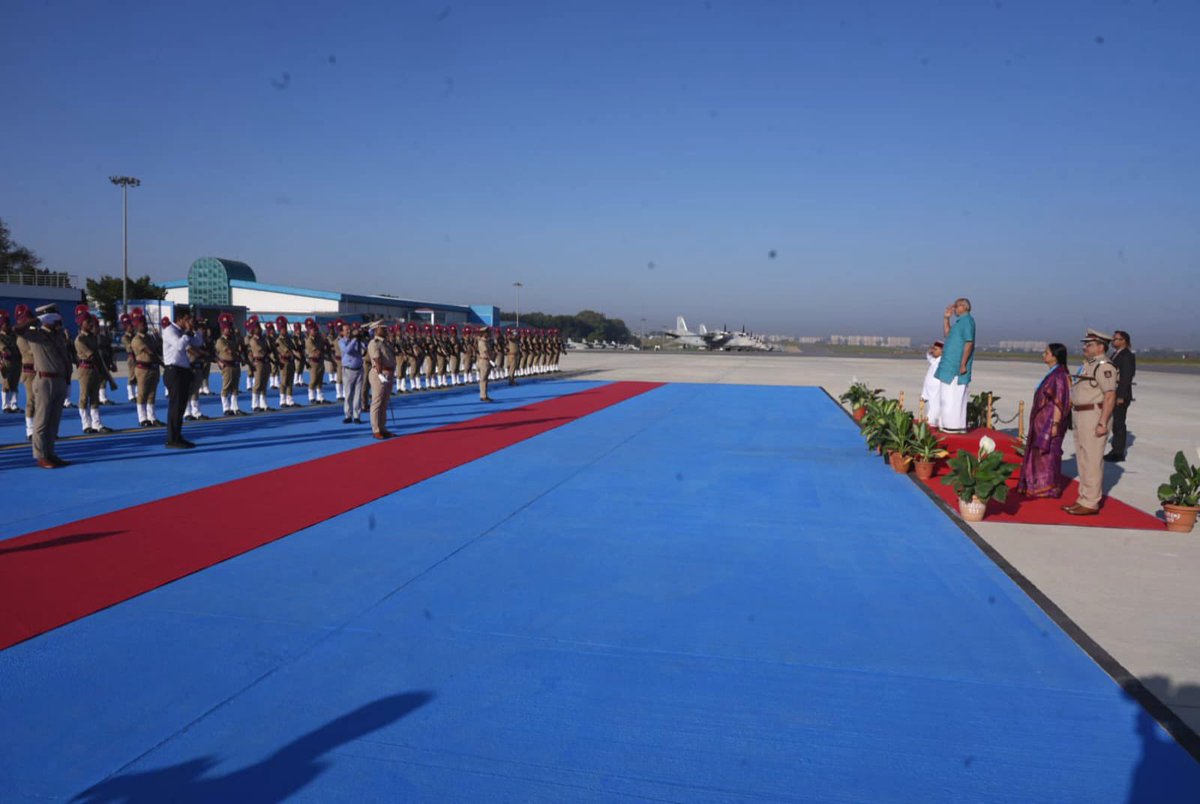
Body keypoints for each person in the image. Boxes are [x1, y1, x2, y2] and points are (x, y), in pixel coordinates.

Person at [1062, 329, 1118, 516]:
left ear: (1101, 347)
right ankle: (1083, 498)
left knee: (1092, 460)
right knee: (1083, 459)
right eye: (1086, 344)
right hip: (1081, 415)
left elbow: (1110, 396)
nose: (1085, 347)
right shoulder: (1089, 364)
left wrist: (1102, 422)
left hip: (1094, 414)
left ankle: (1091, 502)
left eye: (1090, 344)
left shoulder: (1104, 366)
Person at [14, 305, 73, 468]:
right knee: (41, 421)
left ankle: (51, 453)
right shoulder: (36, 335)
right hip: (45, 381)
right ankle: (40, 456)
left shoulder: (58, 335)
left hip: (60, 380)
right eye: (55, 318)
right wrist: (35, 320)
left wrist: (67, 379)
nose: (59, 320)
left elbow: (65, 357)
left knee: (54, 421)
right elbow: (17, 330)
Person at [1016, 343, 1072, 498]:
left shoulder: (1059, 376)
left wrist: (1055, 424)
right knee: (1039, 453)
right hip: (1041, 421)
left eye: (1046, 352)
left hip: (1049, 421)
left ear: (1055, 356)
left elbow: (1059, 402)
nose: (1043, 355)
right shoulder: (1053, 374)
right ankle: (1036, 483)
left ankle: (1047, 486)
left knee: (1048, 453)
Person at [162, 308, 204, 448]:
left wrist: (196, 329)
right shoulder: (170, 331)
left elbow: (197, 343)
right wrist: (186, 332)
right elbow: (180, 346)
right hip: (173, 371)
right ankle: (172, 439)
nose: (188, 322)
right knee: (175, 406)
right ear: (179, 319)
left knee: (180, 406)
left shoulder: (181, 332)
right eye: (186, 319)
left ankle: (178, 436)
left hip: (183, 371)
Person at [934, 298, 976, 433]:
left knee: (953, 397)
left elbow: (969, 343)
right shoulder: (959, 322)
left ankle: (953, 426)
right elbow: (947, 334)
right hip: (949, 366)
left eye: (956, 306)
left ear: (964, 307)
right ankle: (948, 424)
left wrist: (963, 363)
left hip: (956, 368)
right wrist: (946, 318)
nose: (954, 308)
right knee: (946, 396)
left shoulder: (967, 321)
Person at [74, 313, 117, 433]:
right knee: (84, 397)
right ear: (81, 324)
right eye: (88, 322)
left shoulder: (93, 337)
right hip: (85, 369)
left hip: (94, 369)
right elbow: (93, 355)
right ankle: (86, 424)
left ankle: (97, 424)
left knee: (95, 397)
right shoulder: (80, 339)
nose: (91, 324)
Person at [1106, 330, 1136, 463]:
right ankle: (1115, 450)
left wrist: (1121, 396)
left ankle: (1118, 453)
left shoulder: (1127, 356)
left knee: (1119, 424)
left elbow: (1126, 377)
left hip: (1121, 395)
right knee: (1115, 423)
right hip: (1115, 393)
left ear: (1124, 340)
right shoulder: (1115, 354)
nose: (1113, 341)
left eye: (1116, 339)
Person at [129, 313, 163, 427]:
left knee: (152, 394)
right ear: (136, 326)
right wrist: (163, 364)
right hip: (143, 368)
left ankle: (152, 417)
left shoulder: (150, 337)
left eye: (145, 323)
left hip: (153, 368)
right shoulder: (136, 339)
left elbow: (159, 350)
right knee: (142, 393)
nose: (145, 326)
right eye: (142, 324)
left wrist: (159, 339)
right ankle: (142, 418)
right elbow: (150, 352)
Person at [366, 321, 396, 438]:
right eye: (382, 328)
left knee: (384, 402)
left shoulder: (386, 343)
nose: (385, 329)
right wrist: (379, 375)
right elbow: (377, 360)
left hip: (388, 373)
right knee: (377, 402)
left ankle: (383, 428)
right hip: (379, 373)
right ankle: (376, 429)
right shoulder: (374, 343)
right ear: (376, 329)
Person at [339, 322, 366, 424]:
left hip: (359, 369)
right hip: (348, 370)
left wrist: (362, 337)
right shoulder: (341, 342)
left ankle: (357, 416)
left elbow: (365, 348)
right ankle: (348, 415)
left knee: (358, 394)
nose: (349, 331)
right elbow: (347, 350)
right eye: (346, 330)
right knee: (349, 394)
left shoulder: (357, 341)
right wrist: (355, 340)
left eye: (349, 330)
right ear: (342, 332)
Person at [0, 310, 22, 413]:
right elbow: (2, 347)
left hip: (17, 362)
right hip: (6, 363)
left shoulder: (14, 335)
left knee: (15, 384)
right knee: (6, 384)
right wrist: (5, 351)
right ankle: (5, 406)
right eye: (5, 324)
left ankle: (14, 405)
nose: (7, 326)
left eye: (8, 324)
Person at [921, 340, 944, 428]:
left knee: (934, 411)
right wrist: (930, 351)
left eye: (936, 349)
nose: (933, 351)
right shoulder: (935, 360)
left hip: (936, 391)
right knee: (929, 408)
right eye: (933, 349)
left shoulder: (943, 361)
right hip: (928, 391)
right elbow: (929, 356)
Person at [476, 327, 495, 402]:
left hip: (486, 361)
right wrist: (491, 360)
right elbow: (486, 351)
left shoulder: (486, 341)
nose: (489, 333)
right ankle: (483, 396)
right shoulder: (482, 341)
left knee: (486, 379)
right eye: (488, 332)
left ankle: (485, 395)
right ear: (484, 333)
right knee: (483, 379)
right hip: (484, 361)